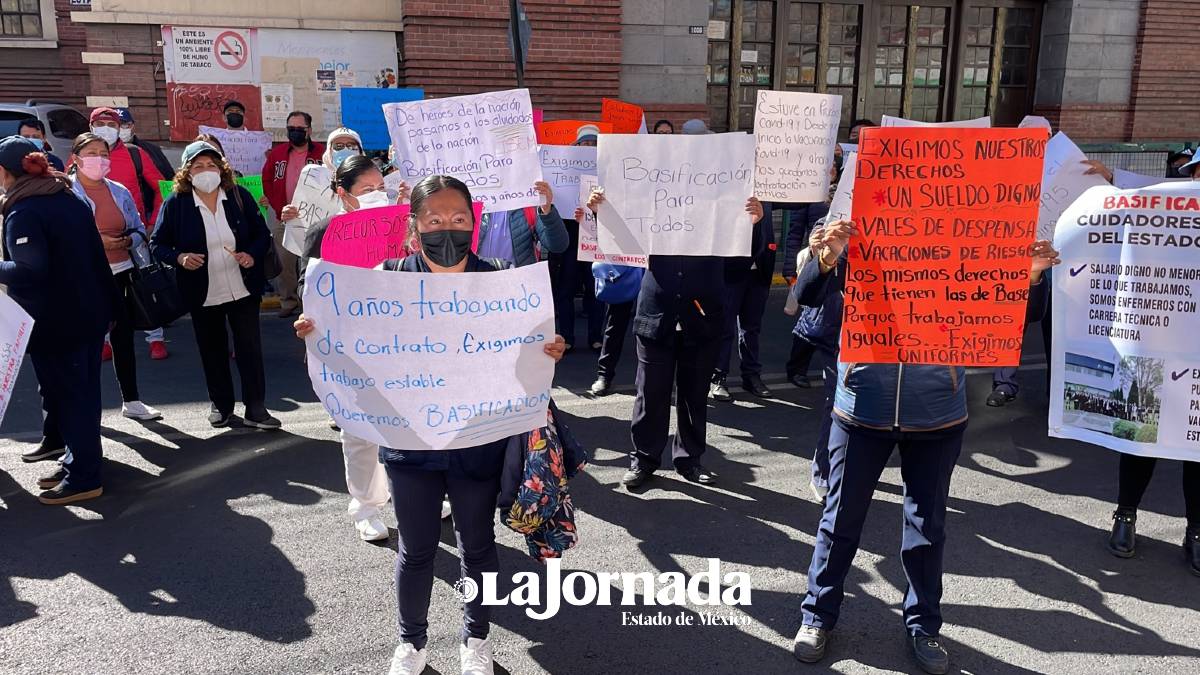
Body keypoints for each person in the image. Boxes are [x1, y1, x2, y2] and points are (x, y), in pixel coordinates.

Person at [293, 175, 567, 675]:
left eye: (459, 220)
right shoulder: (387, 277)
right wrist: (319, 331)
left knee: (477, 547)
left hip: (479, 444)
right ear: (414, 228)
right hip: (410, 446)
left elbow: (524, 359)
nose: (448, 229)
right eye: (435, 220)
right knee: (416, 550)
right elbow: (358, 345)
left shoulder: (501, 280)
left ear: (474, 225)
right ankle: (410, 643)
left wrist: (548, 349)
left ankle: (476, 639)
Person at [791, 219, 1059, 674]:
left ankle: (924, 625)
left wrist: (1030, 274)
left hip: (936, 410)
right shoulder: (850, 216)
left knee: (926, 527)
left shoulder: (967, 228)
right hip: (861, 407)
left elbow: (1014, 313)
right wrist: (828, 255)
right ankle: (817, 615)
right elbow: (809, 296)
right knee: (839, 519)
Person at [597, 124, 763, 486]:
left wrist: (755, 222)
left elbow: (739, 266)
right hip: (655, 314)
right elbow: (620, 243)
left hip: (703, 317)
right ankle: (643, 460)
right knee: (649, 395)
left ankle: (690, 460)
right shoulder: (652, 200)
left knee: (693, 396)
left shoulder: (727, 206)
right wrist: (603, 211)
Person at [290, 153, 426, 541]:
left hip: (403, 344)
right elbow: (307, 287)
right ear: (343, 194)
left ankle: (413, 497)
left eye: (380, 188)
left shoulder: (404, 227)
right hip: (351, 348)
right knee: (361, 433)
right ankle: (366, 506)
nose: (375, 195)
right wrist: (313, 317)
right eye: (366, 190)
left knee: (408, 427)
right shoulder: (324, 232)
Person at [0, 136, 118, 504]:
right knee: (82, 395)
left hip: (56, 323)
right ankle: (78, 461)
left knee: (71, 398)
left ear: (6, 173)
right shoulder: (68, 199)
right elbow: (98, 260)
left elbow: (28, 270)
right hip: (86, 315)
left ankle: (84, 476)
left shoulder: (25, 211)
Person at [151, 141, 280, 430]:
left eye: (211, 165)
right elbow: (157, 244)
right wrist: (180, 257)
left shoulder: (238, 196)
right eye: (198, 166)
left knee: (249, 349)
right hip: (201, 292)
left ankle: (256, 409)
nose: (206, 170)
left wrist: (251, 254)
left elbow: (261, 234)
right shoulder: (176, 203)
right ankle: (222, 407)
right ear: (187, 172)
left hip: (243, 288)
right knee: (213, 351)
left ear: (221, 169)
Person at [66, 132, 164, 423]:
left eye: (104, 153)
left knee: (123, 340)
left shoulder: (119, 190)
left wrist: (126, 243)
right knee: (87, 346)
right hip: (86, 278)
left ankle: (132, 401)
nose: (99, 159)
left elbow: (137, 229)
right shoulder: (66, 194)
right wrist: (97, 242)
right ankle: (83, 410)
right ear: (76, 159)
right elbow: (64, 237)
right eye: (92, 152)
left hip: (123, 274)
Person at [262, 111, 324, 319]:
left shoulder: (321, 154)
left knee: (314, 263)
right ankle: (287, 300)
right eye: (291, 129)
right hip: (285, 218)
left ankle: (313, 303)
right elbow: (267, 180)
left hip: (315, 219)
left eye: (299, 129)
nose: (295, 132)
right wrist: (279, 207)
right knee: (285, 263)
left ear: (309, 131)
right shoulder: (277, 154)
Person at [711, 201, 775, 401]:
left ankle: (751, 375)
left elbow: (798, 201)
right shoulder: (730, 187)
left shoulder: (770, 187)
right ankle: (718, 377)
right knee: (724, 327)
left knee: (752, 327)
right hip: (732, 270)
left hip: (760, 271)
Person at [550, 127, 602, 352]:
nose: (588, 147)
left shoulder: (605, 172)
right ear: (577, 146)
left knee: (595, 291)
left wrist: (596, 211)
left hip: (595, 240)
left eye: (593, 143)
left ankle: (595, 336)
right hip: (570, 240)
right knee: (565, 291)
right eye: (585, 143)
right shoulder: (561, 170)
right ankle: (567, 336)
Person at [89, 107, 164, 230]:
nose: (106, 129)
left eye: (111, 125)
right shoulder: (80, 156)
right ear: (91, 127)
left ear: (118, 128)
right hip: (93, 233)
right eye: (100, 124)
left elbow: (163, 187)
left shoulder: (136, 153)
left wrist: (154, 223)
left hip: (134, 232)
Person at [473, 181, 568, 269]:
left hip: (518, 282)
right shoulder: (471, 203)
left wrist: (547, 210)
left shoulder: (529, 205)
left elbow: (558, 246)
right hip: (475, 279)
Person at [115, 108, 175, 181]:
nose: (120, 129)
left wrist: (167, 192)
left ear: (132, 126)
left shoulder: (152, 150)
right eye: (115, 125)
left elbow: (169, 177)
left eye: (124, 124)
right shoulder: (103, 152)